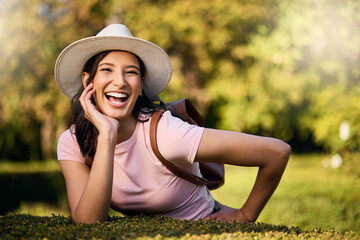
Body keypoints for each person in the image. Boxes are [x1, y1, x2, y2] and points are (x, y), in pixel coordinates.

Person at [55, 24, 291, 224]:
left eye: (131, 72)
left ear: (141, 86)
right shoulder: (72, 141)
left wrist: (245, 215)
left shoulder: (166, 133)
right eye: (107, 70)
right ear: (88, 81)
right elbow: (88, 222)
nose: (120, 82)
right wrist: (106, 135)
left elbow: (277, 152)